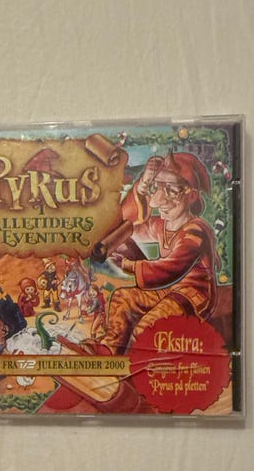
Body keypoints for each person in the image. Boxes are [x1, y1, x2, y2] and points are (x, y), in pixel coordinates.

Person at [89, 150, 219, 355]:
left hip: (193, 296)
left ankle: (138, 368)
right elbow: (127, 222)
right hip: (169, 290)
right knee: (122, 298)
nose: (159, 201)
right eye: (157, 188)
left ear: (191, 195)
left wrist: (129, 265)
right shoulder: (161, 225)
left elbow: (171, 268)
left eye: (171, 191)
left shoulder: (196, 232)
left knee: (145, 328)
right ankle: (109, 349)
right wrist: (143, 184)